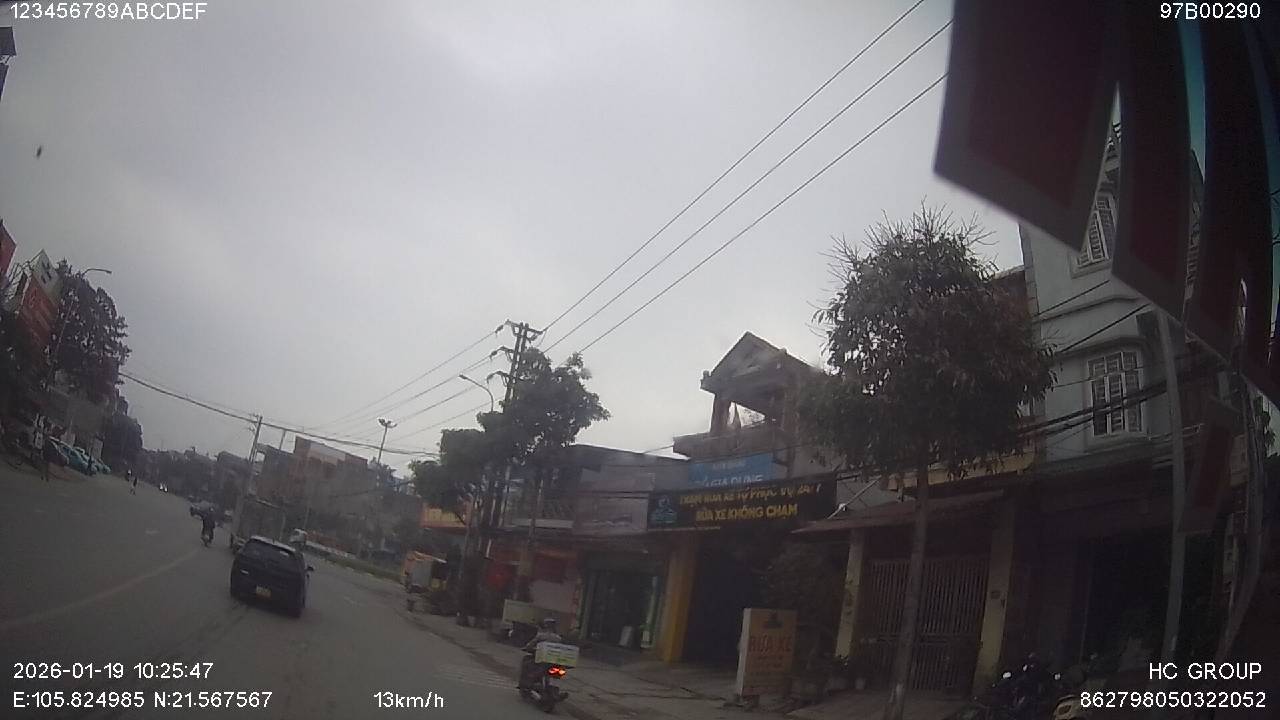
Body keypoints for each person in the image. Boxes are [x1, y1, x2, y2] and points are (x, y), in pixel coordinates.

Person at [518, 618, 563, 690]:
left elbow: (530, 645)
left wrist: (527, 648)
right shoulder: (558, 638)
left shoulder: (541, 636)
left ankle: (524, 683)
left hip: (541, 659)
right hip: (554, 660)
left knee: (526, 662)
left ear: (545, 625)